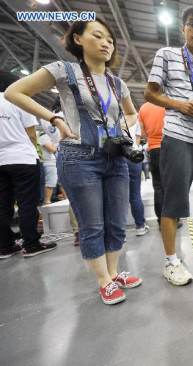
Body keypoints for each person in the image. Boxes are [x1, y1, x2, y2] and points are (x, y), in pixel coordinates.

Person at [5, 19, 143, 304]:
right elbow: (13, 92)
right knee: (92, 225)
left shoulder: (117, 83)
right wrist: (53, 117)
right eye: (98, 36)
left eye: (110, 39)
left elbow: (131, 113)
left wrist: (123, 133)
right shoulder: (63, 71)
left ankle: (114, 272)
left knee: (117, 222)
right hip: (79, 159)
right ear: (78, 39)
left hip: (115, 158)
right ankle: (103, 280)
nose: (107, 43)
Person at [144, 5, 193, 286]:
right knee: (174, 202)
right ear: (183, 29)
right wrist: (179, 104)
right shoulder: (166, 55)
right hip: (177, 138)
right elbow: (150, 93)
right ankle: (171, 261)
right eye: (192, 24)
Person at [0, 70, 58, 260]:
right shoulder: (17, 100)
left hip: (1, 161)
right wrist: (33, 153)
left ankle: (5, 246)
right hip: (23, 158)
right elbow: (31, 134)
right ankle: (31, 244)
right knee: (27, 203)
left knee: (3, 204)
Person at [127, 119, 149, 236]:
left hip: (116, 157)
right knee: (135, 195)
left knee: (115, 197)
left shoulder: (108, 114)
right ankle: (140, 226)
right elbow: (137, 140)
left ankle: (118, 233)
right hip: (132, 155)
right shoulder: (134, 119)